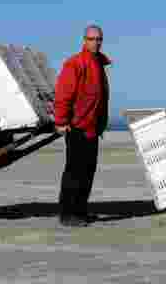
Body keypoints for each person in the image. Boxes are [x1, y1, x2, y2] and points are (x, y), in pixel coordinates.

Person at [54, 24, 112, 227]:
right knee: (74, 172)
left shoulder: (98, 63)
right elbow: (63, 95)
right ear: (84, 41)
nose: (96, 42)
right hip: (77, 127)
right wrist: (61, 122)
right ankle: (68, 214)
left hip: (93, 128)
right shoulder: (75, 63)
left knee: (88, 171)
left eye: (99, 39)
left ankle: (80, 211)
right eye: (92, 39)